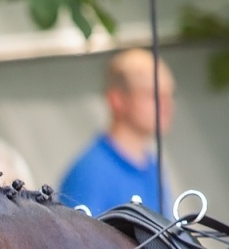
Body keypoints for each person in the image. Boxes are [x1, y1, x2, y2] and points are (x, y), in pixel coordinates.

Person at [58, 48, 174, 214]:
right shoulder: (91, 173)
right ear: (117, 99)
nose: (166, 105)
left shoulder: (153, 166)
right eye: (152, 95)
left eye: (169, 95)